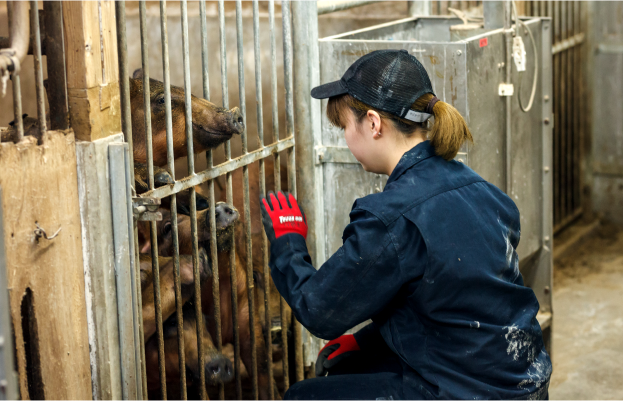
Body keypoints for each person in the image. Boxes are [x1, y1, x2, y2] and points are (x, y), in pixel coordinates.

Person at [260, 49, 551, 401]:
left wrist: (288, 243)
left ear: (372, 123)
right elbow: (448, 303)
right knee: (349, 363)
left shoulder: (392, 216)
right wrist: (365, 339)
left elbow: (319, 310)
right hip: (522, 383)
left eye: (344, 127)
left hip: (465, 391)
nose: (345, 139)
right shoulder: (483, 191)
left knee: (301, 397)